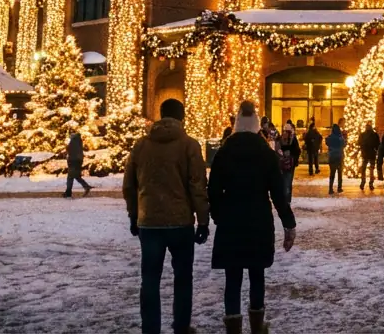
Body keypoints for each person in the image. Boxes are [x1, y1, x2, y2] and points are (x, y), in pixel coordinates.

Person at [124, 98, 209, 334]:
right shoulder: (189, 146)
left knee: (149, 279)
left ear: (160, 116)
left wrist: (134, 214)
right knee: (183, 277)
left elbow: (129, 185)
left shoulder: (141, 145)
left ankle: (150, 329)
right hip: (180, 222)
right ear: (182, 117)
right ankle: (181, 326)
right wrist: (202, 219)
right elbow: (197, 185)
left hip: (149, 222)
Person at [210, 101, 295, 334]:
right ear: (257, 124)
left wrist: (218, 216)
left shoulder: (225, 152)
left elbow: (213, 190)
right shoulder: (265, 153)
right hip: (258, 219)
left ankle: (233, 327)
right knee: (257, 274)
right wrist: (289, 224)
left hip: (231, 220)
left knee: (233, 277)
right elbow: (278, 193)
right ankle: (257, 326)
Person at [274, 125, 299, 203]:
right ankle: (287, 200)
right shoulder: (292, 139)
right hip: (288, 164)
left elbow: (276, 151)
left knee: (286, 182)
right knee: (287, 183)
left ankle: (286, 200)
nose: (285, 133)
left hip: (285, 164)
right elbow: (297, 151)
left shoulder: (282, 139)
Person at [64, 131, 93, 197]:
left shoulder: (73, 142)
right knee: (76, 176)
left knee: (70, 177)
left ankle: (68, 192)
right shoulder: (79, 142)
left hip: (73, 161)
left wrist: (66, 147)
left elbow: (69, 150)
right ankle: (86, 186)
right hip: (77, 162)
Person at [357, 121, 381, 190]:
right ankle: (371, 183)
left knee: (363, 169)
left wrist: (362, 148)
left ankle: (363, 181)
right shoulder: (375, 135)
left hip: (365, 154)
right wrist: (376, 150)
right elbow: (378, 144)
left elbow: (359, 143)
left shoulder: (362, 134)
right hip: (372, 154)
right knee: (371, 169)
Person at [324, 124, 346, 194]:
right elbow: (344, 144)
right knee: (340, 173)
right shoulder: (341, 138)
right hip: (339, 157)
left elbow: (327, 141)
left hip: (332, 157)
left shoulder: (330, 137)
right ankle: (339, 188)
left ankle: (330, 189)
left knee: (332, 173)